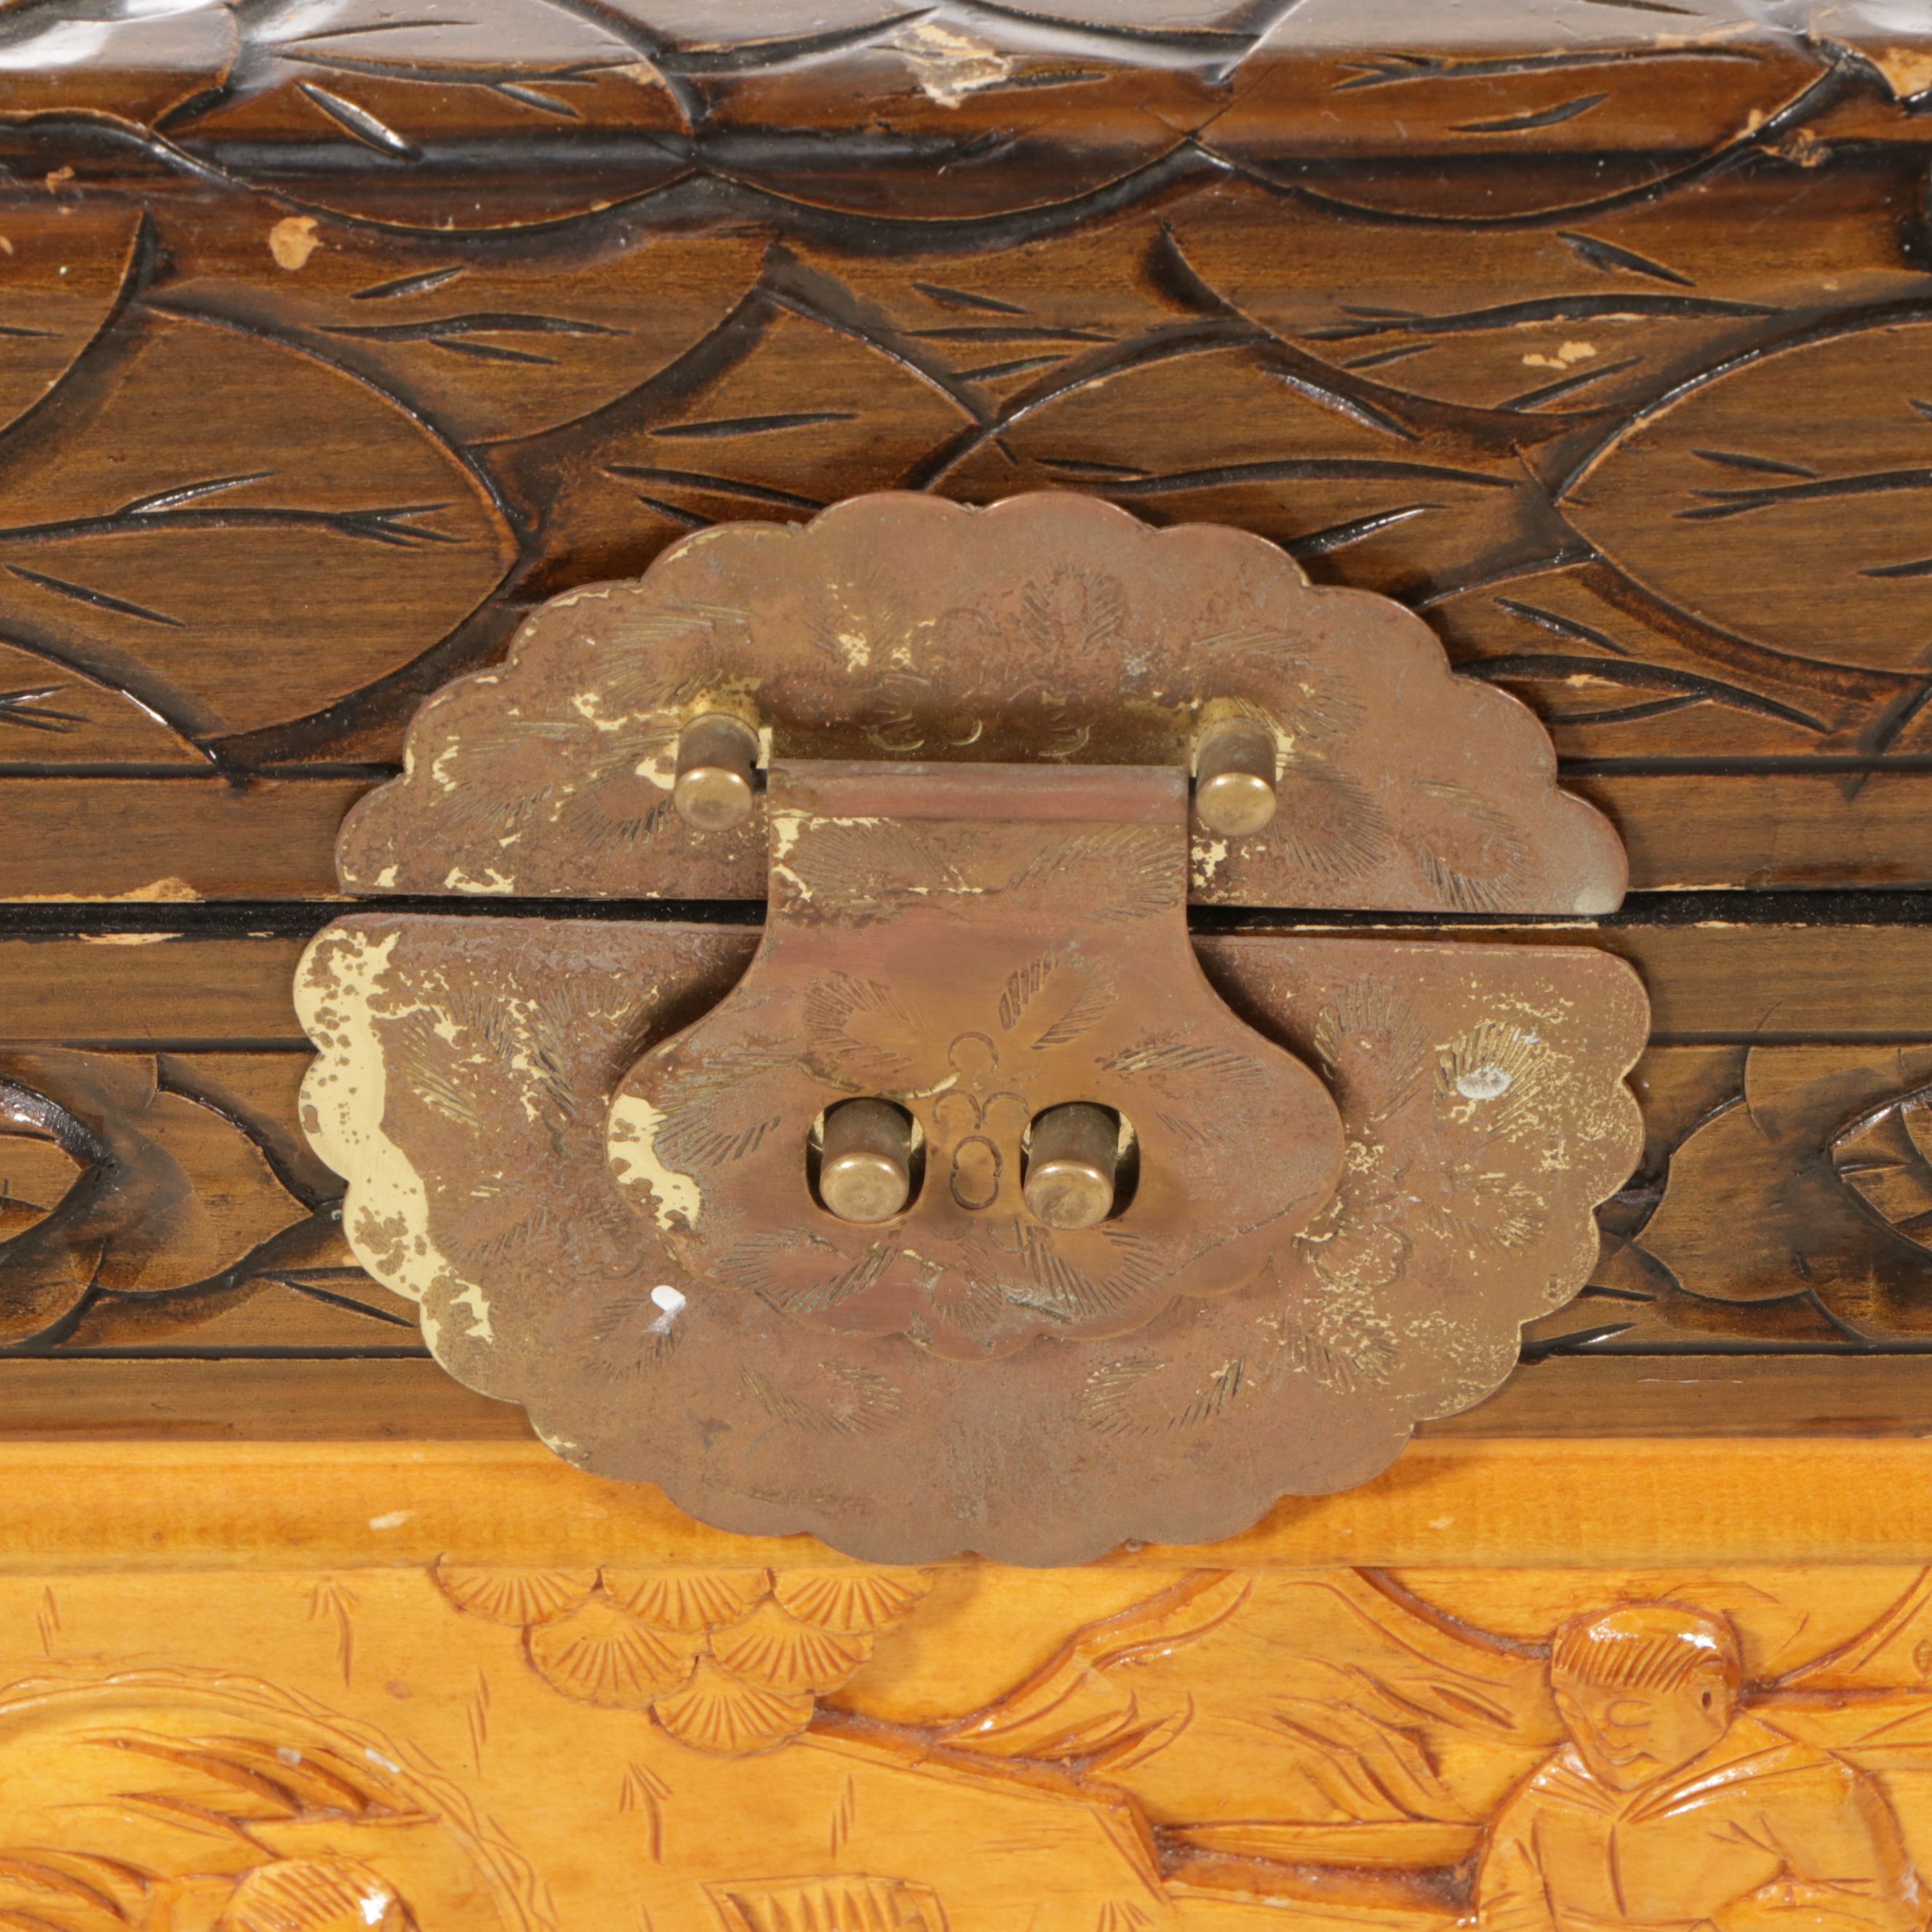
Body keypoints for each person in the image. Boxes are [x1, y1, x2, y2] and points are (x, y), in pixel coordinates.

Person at [1478, 1602, 1925, 1932]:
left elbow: (1882, 1912)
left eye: (1630, 1715)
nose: (1599, 1736)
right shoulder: (1556, 1785)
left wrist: (1735, 1923)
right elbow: (1510, 1897)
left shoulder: (1803, 1787)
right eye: (1573, 1712)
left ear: (1709, 1697)